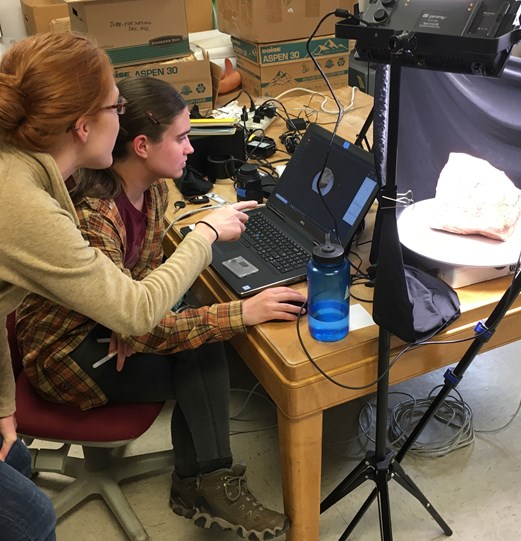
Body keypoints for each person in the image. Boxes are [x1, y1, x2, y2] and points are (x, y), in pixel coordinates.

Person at [16, 76, 307, 541]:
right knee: (202, 351)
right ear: (143, 145)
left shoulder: (150, 190)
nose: (191, 149)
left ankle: (197, 486)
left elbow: (145, 284)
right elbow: (143, 316)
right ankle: (206, 484)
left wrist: (129, 323)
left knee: (198, 343)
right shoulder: (95, 215)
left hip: (104, 323)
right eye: (182, 137)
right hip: (62, 353)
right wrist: (243, 312)